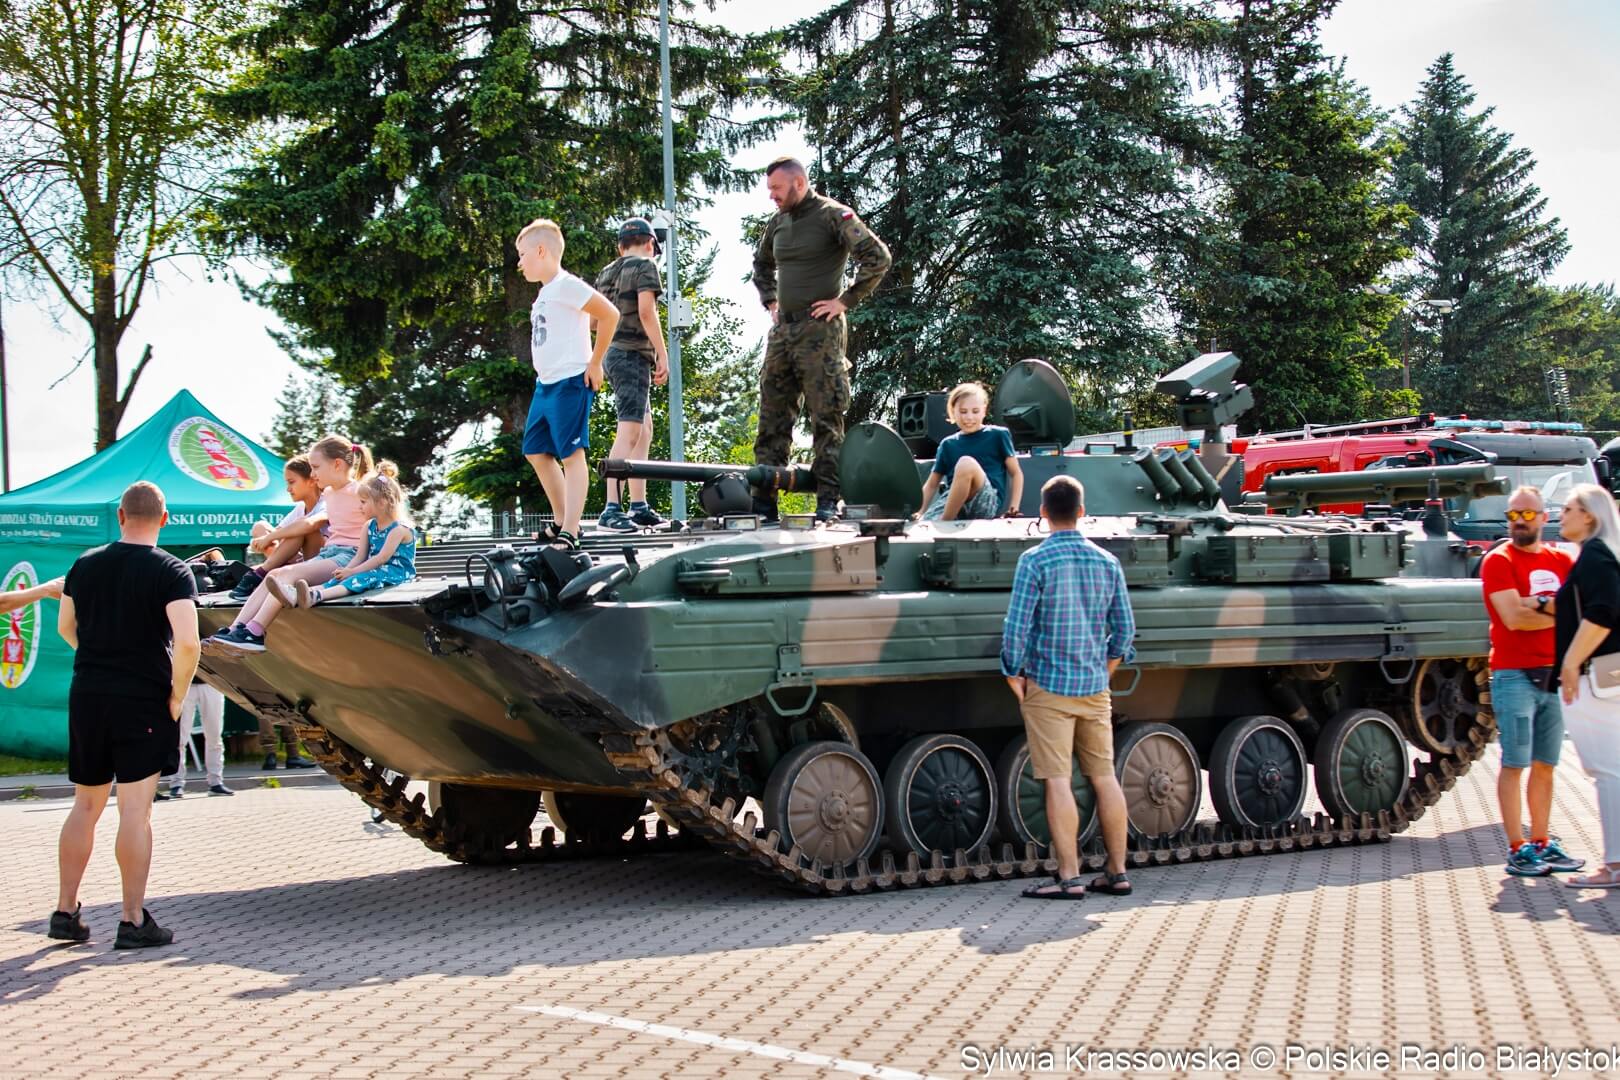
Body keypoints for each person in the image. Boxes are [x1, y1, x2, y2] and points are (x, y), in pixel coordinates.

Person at [51, 481, 198, 948]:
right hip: (143, 699)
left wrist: (99, 657)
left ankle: (65, 911)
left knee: (85, 805)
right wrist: (176, 696)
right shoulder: (171, 570)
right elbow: (188, 643)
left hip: (88, 694)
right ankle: (132, 920)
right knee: (134, 812)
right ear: (165, 518)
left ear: (119, 516)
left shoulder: (84, 564)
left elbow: (65, 626)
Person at [1001, 476, 1135, 900]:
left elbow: (1016, 628)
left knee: (1058, 781)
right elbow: (1124, 631)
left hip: (1047, 686)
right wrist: (1105, 670)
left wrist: (1013, 673)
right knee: (1104, 777)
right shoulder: (1107, 562)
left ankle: (1069, 876)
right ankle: (1117, 872)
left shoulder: (1034, 561)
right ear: (1081, 511)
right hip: (1094, 688)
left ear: (1043, 513)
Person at [750, 157, 891, 523]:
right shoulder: (778, 222)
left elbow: (877, 258)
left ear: (798, 183)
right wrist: (771, 301)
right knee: (772, 417)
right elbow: (761, 265)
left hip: (820, 331)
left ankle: (828, 501)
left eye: (777, 189)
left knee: (825, 416)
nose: (772, 196)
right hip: (783, 332)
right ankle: (763, 505)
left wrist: (845, 301)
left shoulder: (833, 216)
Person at [1480, 487, 1584, 876]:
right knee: (1515, 762)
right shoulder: (1499, 560)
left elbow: (1580, 610)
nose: (1519, 522)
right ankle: (1517, 847)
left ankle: (1541, 840)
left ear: (1544, 517)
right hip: (1514, 674)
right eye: (1513, 515)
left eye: (1527, 515)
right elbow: (1513, 618)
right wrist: (1556, 611)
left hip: (1554, 673)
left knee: (1545, 764)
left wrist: (1535, 603)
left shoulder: (1562, 560)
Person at [514, 217, 619, 549]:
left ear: (541, 251)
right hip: (545, 385)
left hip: (570, 381)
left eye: (522, 254)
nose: (519, 263)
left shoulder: (567, 284)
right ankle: (561, 520)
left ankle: (572, 530)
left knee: (571, 455)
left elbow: (609, 314)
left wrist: (595, 362)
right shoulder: (545, 293)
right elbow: (579, 322)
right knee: (535, 451)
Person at [213, 435, 373, 652]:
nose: (313, 474)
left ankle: (255, 632)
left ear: (337, 464)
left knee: (285, 576)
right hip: (330, 553)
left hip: (350, 556)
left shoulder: (360, 492)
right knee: (273, 575)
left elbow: (382, 524)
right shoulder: (329, 493)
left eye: (316, 467)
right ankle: (236, 629)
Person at [1547, 483, 1620, 888]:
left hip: (1596, 672)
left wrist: (1572, 663)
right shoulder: (1605, 552)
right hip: (1610, 669)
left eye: (1568, 509)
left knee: (1605, 769)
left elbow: (1602, 613)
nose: (1561, 515)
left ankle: (1615, 863)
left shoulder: (1594, 555)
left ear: (1589, 515)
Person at [594, 217, 670, 533]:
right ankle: (611, 508)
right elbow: (646, 312)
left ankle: (638, 506)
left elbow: (594, 321)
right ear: (651, 244)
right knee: (629, 430)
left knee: (644, 429)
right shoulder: (645, 266)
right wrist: (662, 354)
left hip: (612, 353)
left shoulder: (606, 272)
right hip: (631, 354)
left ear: (620, 246)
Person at [278, 462, 417, 609]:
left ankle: (316, 596)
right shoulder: (369, 526)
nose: (360, 507)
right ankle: (297, 594)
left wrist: (353, 571)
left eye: (363, 502)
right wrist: (346, 571)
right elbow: (360, 556)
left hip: (396, 573)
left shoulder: (398, 530)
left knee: (359, 578)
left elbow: (380, 559)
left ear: (382, 503)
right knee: (340, 579)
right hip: (375, 570)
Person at [919, 382, 1024, 521]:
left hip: (985, 501)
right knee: (922, 525)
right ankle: (944, 519)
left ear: (984, 410)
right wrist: (919, 512)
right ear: (953, 411)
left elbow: (1016, 473)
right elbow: (932, 484)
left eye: (975, 411)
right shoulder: (947, 444)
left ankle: (945, 521)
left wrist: (1014, 508)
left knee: (966, 464)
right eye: (963, 412)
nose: (969, 417)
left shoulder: (998, 435)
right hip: (953, 502)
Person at [231, 455, 327, 601]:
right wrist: (261, 541)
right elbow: (278, 533)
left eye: (292, 482)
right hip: (301, 561)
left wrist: (268, 538)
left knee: (300, 528)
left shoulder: (326, 502)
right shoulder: (300, 508)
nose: (288, 489)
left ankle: (260, 574)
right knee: (260, 527)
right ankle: (272, 570)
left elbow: (307, 525)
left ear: (312, 481)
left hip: (321, 563)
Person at [157, 677, 231, 800]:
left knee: (214, 736)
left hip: (212, 682)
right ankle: (176, 783)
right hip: (184, 682)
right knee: (179, 738)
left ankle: (216, 782)